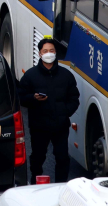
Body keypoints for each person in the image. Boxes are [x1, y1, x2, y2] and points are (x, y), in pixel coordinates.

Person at [17, 37, 80, 184]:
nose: (48, 53)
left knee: (62, 157)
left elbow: (74, 98)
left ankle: (61, 185)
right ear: (40, 54)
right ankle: (35, 183)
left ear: (56, 53)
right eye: (45, 51)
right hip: (39, 126)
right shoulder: (30, 75)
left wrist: (64, 112)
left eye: (51, 50)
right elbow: (20, 97)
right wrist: (33, 98)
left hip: (60, 125)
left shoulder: (66, 75)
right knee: (38, 157)